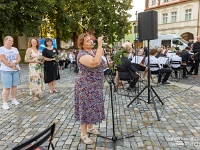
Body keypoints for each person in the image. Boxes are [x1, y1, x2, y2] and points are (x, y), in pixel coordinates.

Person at [74, 33, 105, 145]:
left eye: (91, 40)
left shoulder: (94, 52)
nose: (91, 41)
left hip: (96, 85)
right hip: (85, 85)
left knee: (93, 107)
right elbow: (95, 63)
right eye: (87, 41)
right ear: (82, 45)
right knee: (86, 108)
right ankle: (83, 134)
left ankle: (90, 127)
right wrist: (100, 45)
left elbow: (102, 63)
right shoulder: (82, 54)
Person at [0, 36, 21, 109]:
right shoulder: (1, 49)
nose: (11, 42)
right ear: (5, 40)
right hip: (6, 70)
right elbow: (3, 59)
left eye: (12, 41)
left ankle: (14, 99)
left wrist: (15, 63)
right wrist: (12, 66)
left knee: (14, 86)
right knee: (7, 87)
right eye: (9, 40)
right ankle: (4, 103)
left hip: (15, 70)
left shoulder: (15, 49)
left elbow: (18, 58)